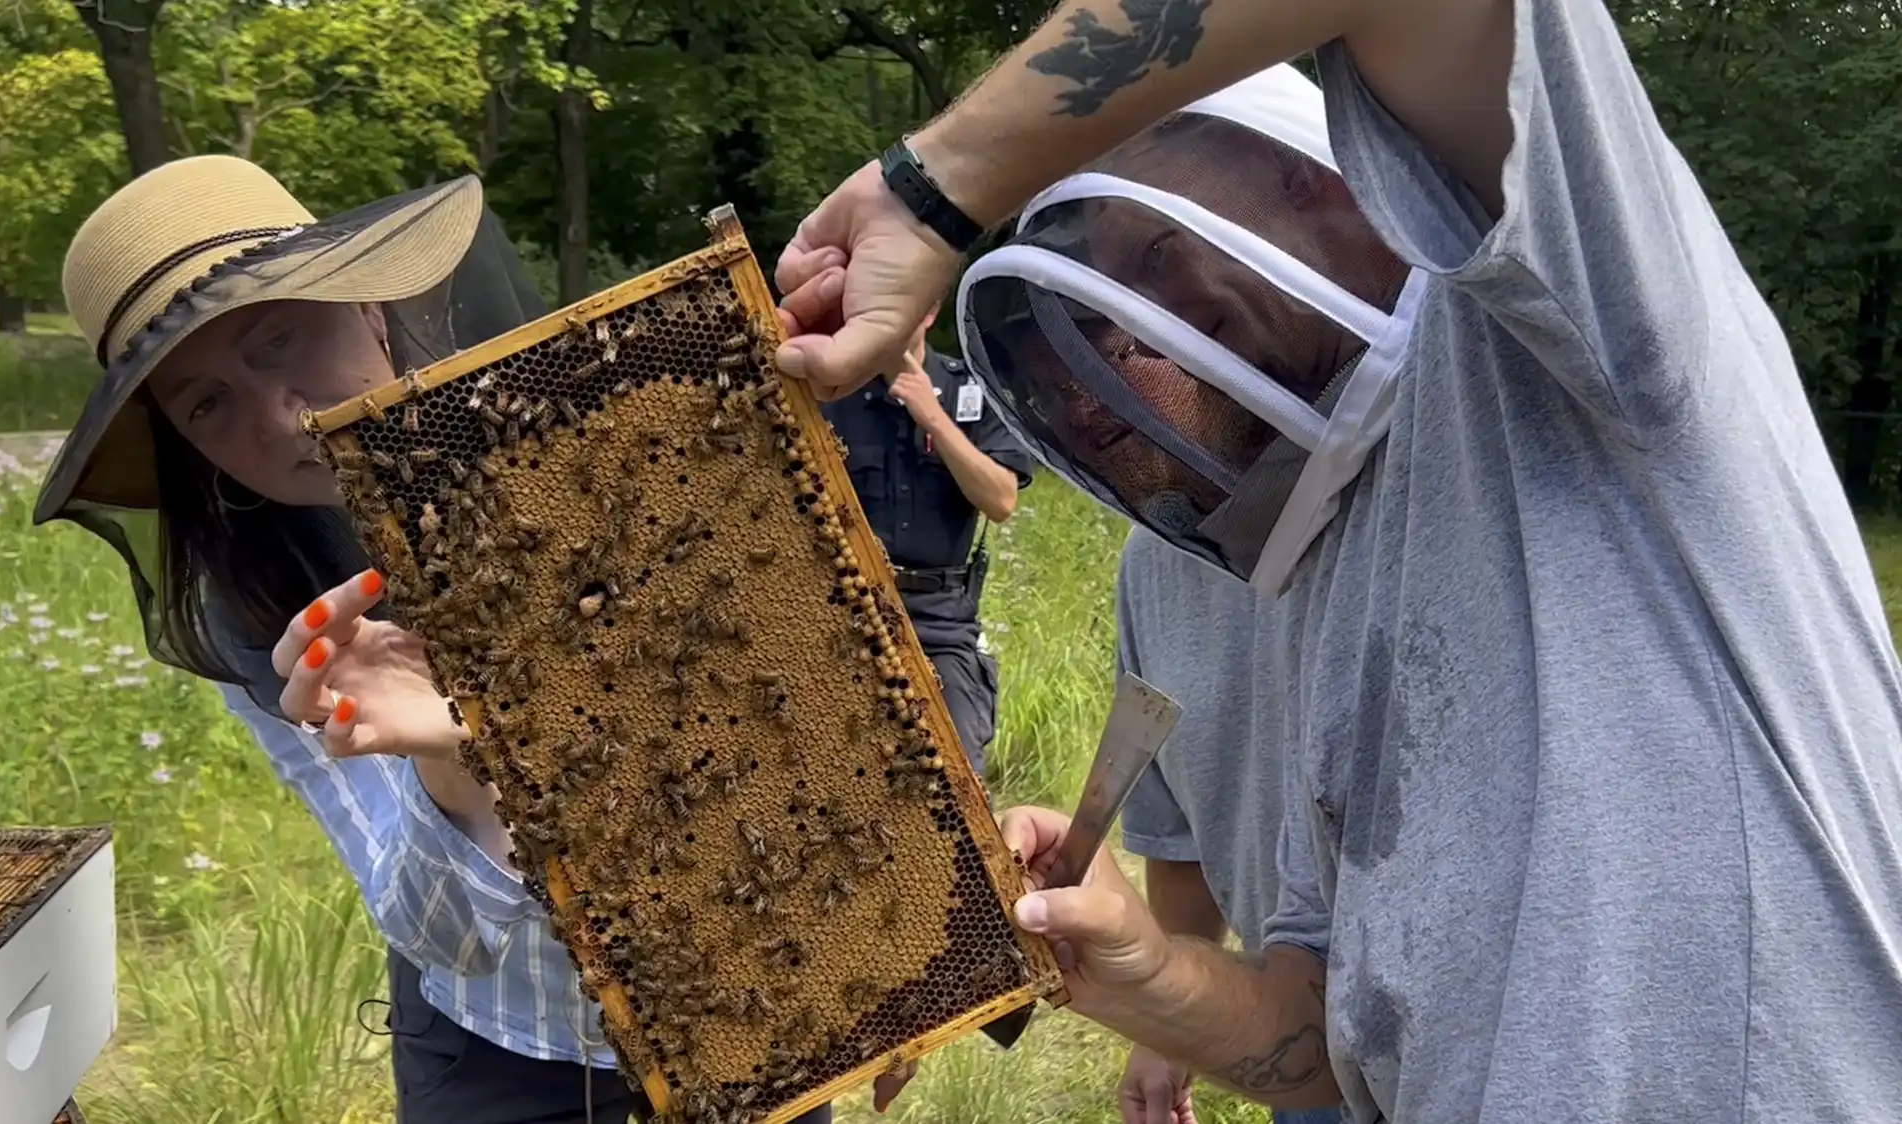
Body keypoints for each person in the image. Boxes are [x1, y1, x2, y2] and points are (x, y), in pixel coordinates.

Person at [769, 2, 1902, 1120]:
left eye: (1152, 258)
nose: (1090, 373)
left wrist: (931, 189)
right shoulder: (1299, 570)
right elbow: (1321, 1040)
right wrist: (1144, 971)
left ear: (1322, 179)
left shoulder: (1586, 335)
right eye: (1063, 350)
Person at [35, 155, 831, 1124]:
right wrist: (455, 753)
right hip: (499, 1048)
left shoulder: (612, 440)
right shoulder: (259, 609)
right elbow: (439, 932)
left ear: (368, 305)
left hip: (754, 991)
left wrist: (847, 964)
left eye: (280, 338)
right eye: (206, 404)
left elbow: (796, 729)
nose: (280, 417)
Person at [1112, 527, 1340, 1124]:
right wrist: (1168, 1028)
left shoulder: (1405, 500)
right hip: (1293, 1036)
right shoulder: (1149, 563)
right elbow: (1179, 833)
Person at [819, 302, 1032, 779]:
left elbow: (1001, 501)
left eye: (904, 303)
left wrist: (933, 417)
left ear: (930, 309)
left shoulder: (973, 390)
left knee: (956, 787)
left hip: (940, 623)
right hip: (843, 613)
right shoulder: (829, 393)